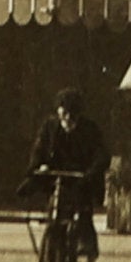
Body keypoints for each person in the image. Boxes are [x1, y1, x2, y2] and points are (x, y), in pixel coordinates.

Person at [28, 88, 108, 232]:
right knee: (53, 210)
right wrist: (40, 165)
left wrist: (90, 173)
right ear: (58, 112)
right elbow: (39, 148)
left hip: (81, 178)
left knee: (83, 212)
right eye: (64, 113)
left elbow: (101, 155)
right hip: (56, 178)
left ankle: (84, 243)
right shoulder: (50, 127)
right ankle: (49, 249)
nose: (68, 118)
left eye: (72, 115)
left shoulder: (90, 129)